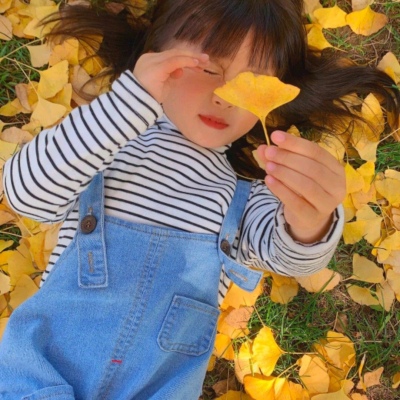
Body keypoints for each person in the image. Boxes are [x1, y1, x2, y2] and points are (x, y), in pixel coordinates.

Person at [0, 0, 399, 398]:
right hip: (40, 378)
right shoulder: (103, 140)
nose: (224, 97)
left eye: (251, 84)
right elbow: (25, 194)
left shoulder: (247, 194)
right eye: (207, 69)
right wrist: (127, 104)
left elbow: (288, 257)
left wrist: (311, 219)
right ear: (153, 57)